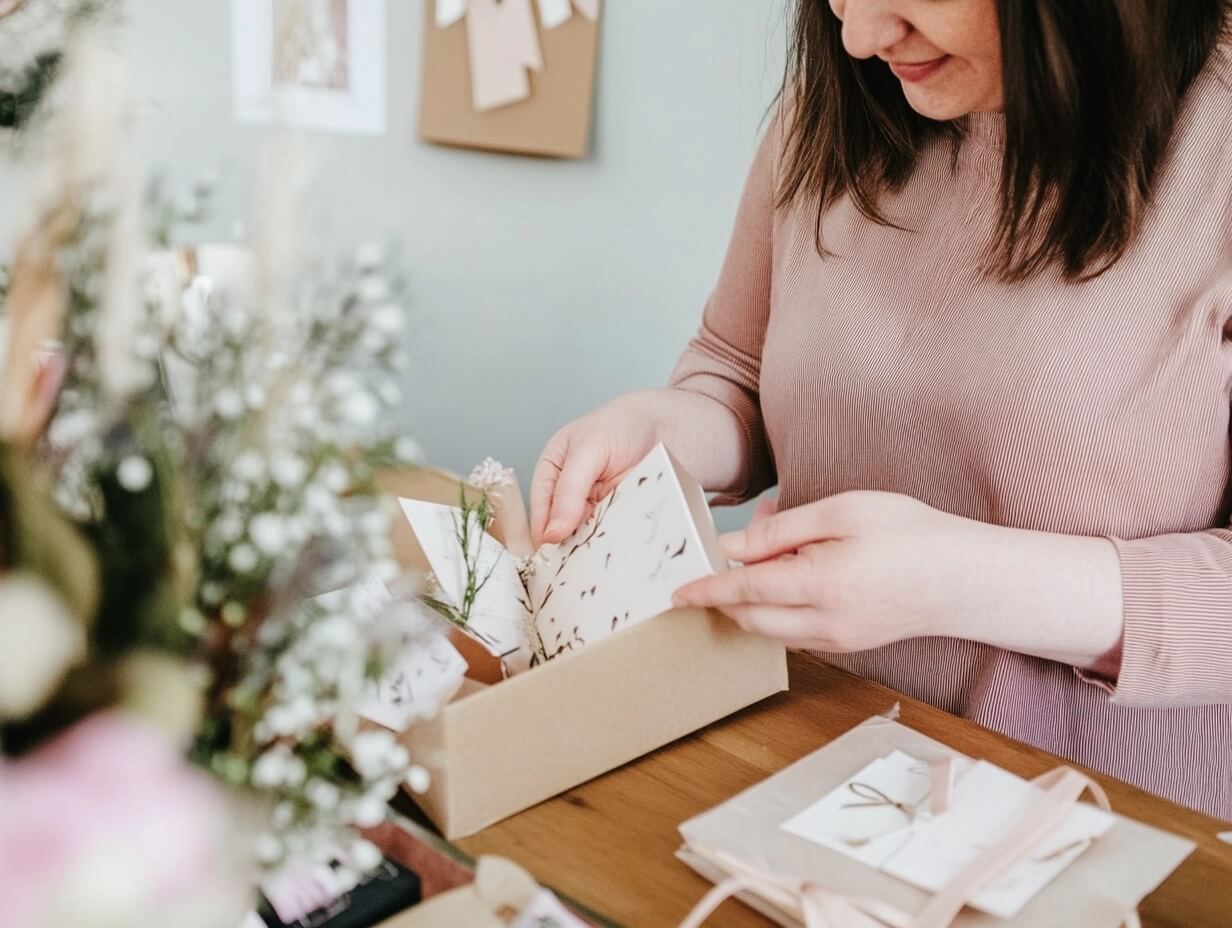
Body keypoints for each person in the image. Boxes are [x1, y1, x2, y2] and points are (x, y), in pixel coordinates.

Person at [529, 0, 1232, 821]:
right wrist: (671, 430)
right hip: (792, 754)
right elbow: (737, 368)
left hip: (1093, 817)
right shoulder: (844, 102)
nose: (859, 38)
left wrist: (954, 581)